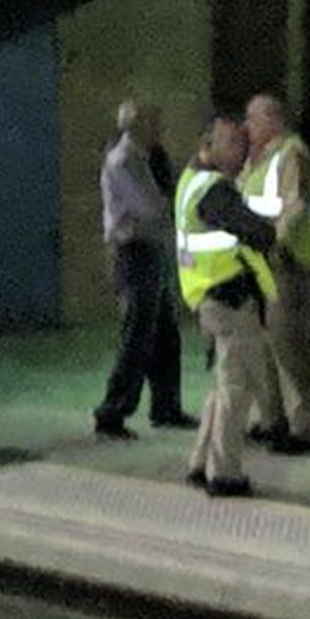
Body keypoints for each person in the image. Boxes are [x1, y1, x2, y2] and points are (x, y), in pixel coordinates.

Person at [176, 116, 278, 496]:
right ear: (210, 144)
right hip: (229, 299)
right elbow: (256, 230)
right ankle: (226, 473)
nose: (241, 151)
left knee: (224, 383)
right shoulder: (214, 189)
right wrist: (269, 230)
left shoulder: (190, 180)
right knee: (239, 385)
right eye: (233, 143)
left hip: (208, 297)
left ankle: (200, 462)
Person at [94, 101, 194, 439]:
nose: (159, 129)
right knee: (137, 335)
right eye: (154, 122)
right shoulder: (123, 161)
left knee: (165, 332)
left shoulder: (147, 158)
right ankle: (112, 412)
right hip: (133, 253)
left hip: (151, 251)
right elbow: (149, 206)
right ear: (137, 125)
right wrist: (170, 201)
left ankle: (166, 406)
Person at [240, 94, 310, 455]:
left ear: (272, 119)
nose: (247, 127)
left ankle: (303, 427)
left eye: (253, 119)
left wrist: (273, 243)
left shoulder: (292, 154)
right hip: (260, 265)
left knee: (289, 346)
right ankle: (271, 418)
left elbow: (295, 206)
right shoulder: (258, 158)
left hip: (285, 264)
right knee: (265, 345)